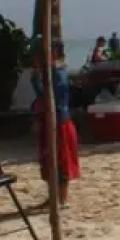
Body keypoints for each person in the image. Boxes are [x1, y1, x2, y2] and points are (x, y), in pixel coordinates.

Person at [33, 40, 80, 207]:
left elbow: (53, 98)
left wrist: (37, 79)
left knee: (60, 160)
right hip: (50, 120)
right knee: (48, 159)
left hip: (59, 122)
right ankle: (54, 196)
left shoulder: (57, 73)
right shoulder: (50, 72)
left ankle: (62, 198)